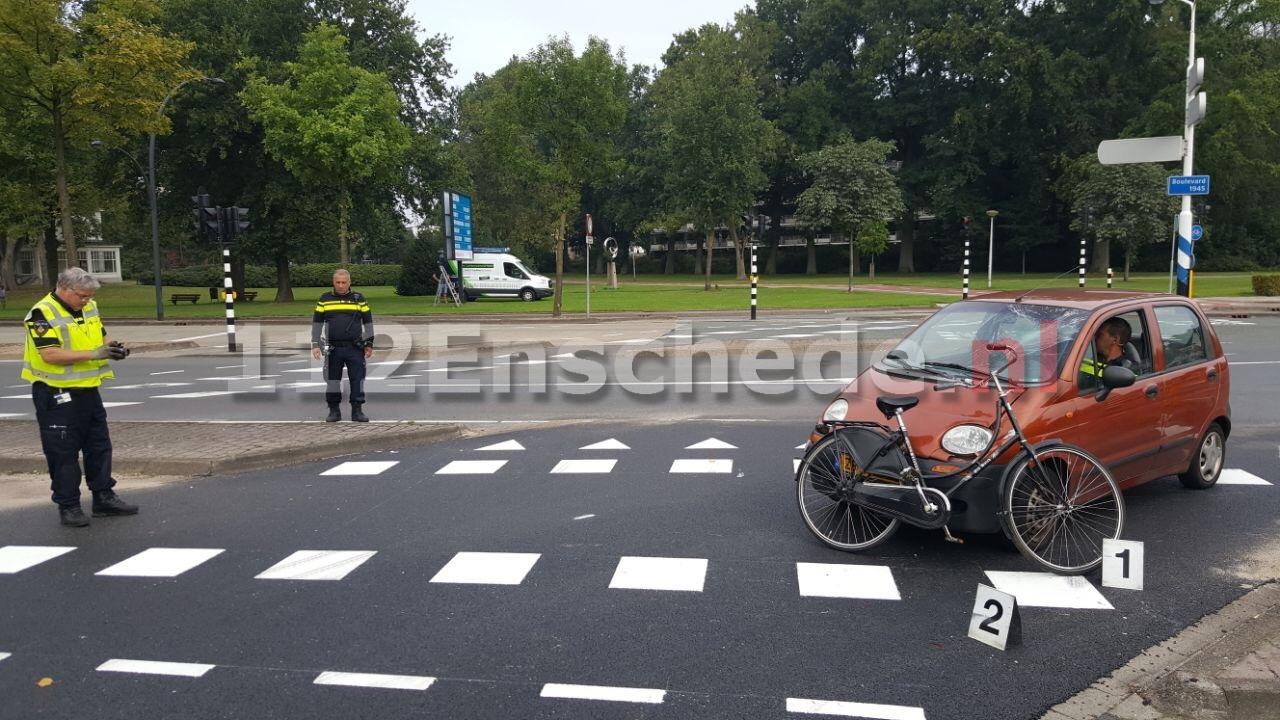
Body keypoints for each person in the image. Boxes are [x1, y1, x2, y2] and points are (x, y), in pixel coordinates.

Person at [22, 267, 137, 527]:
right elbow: (50, 355)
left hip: (87, 389)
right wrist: (96, 354)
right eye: (82, 296)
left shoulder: (90, 307)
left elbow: (101, 336)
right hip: (55, 393)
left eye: (89, 296)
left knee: (99, 446)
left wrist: (114, 348)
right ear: (64, 289)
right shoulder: (41, 314)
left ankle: (103, 496)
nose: (86, 300)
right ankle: (69, 505)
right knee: (63, 452)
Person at [311, 269, 374, 422]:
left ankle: (357, 410)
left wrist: (369, 343)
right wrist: (315, 344)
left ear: (349, 283)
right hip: (333, 348)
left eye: (344, 282)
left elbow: (368, 322)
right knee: (332, 380)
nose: (340, 286)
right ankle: (334, 410)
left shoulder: (359, 299)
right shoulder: (325, 299)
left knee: (357, 379)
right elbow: (317, 323)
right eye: (338, 282)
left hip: (355, 347)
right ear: (333, 282)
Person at [1081, 316, 1136, 380]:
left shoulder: (1124, 369)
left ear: (1115, 340)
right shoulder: (1090, 357)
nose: (1094, 338)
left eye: (1099, 335)